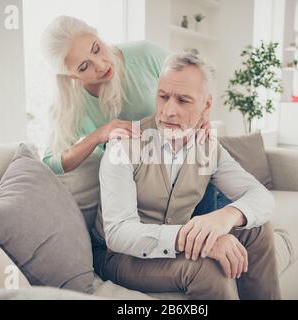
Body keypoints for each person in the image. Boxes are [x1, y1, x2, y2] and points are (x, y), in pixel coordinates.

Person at [92, 51, 281, 300]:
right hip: (121, 256)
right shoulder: (124, 145)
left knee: (256, 228)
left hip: (172, 244)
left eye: (183, 100)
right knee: (205, 269)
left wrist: (225, 217)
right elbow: (118, 233)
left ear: (206, 105)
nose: (169, 110)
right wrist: (197, 240)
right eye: (163, 97)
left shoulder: (208, 148)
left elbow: (261, 197)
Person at [39, 15, 211, 174]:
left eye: (96, 49)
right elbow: (50, 163)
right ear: (71, 76)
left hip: (182, 162)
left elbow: (199, 82)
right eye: (84, 66)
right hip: (130, 176)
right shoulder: (74, 103)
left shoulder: (144, 54)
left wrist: (203, 117)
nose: (101, 65)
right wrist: (98, 135)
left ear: (98, 37)